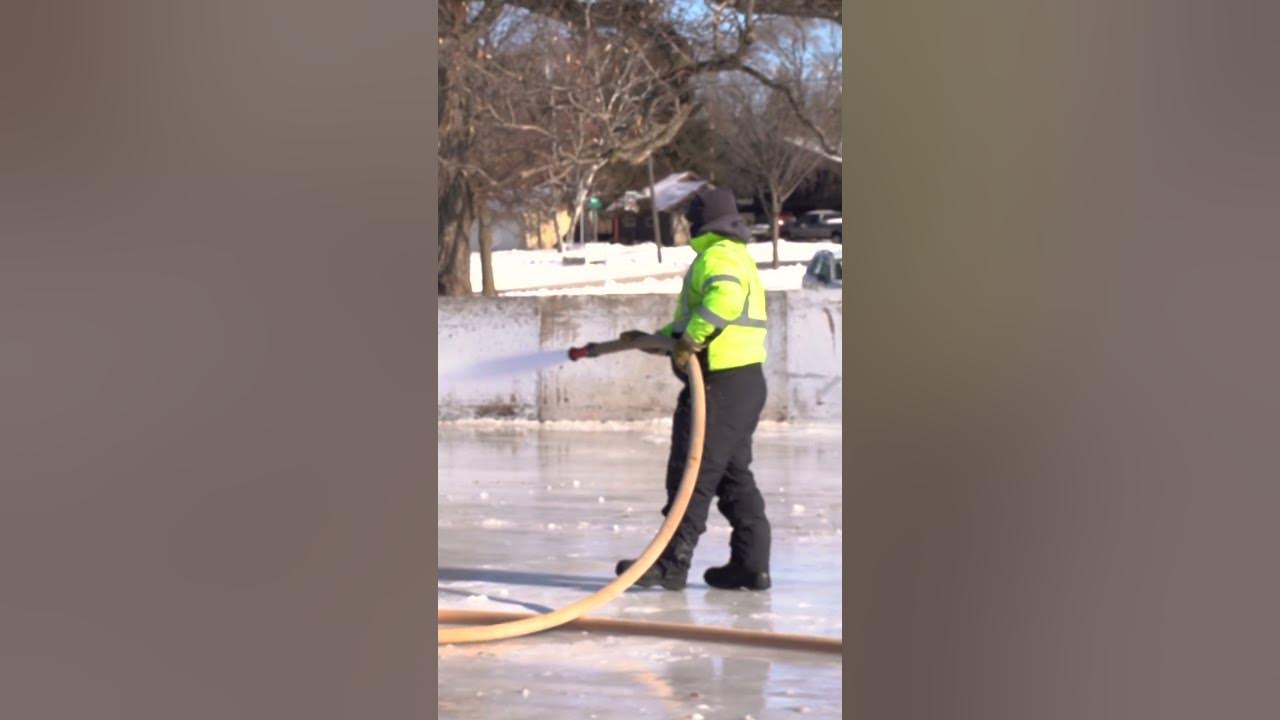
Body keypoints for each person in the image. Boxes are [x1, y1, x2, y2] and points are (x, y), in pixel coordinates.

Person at [616, 186, 772, 591]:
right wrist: (655, 340)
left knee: (692, 471)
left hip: (719, 384)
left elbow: (722, 304)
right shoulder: (736, 255)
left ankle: (670, 564)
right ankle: (751, 563)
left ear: (701, 222)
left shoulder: (717, 256)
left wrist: (690, 343)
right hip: (745, 382)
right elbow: (692, 324)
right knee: (734, 475)